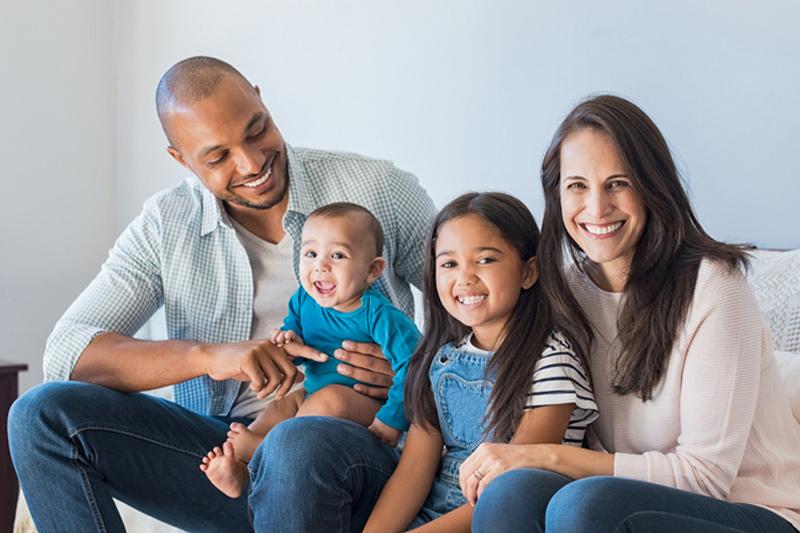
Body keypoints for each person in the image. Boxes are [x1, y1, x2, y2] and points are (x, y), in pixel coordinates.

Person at [8, 56, 436, 532]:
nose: (252, 163)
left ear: (260, 99)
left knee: (298, 440)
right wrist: (210, 356)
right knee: (39, 415)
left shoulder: (377, 190)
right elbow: (66, 353)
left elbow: (477, 310)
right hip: (230, 458)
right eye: (217, 157)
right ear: (181, 158)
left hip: (355, 449)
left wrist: (417, 374)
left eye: (257, 130)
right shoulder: (166, 225)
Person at [464, 95, 800, 532]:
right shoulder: (564, 291)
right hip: (619, 505)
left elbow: (706, 479)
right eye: (577, 186)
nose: (596, 208)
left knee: (583, 503)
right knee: (512, 491)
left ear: (652, 187)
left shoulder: (714, 286)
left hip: (758, 514)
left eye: (618, 183)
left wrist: (548, 456)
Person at [361, 191, 598, 532]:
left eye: (485, 260)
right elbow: (413, 471)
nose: (465, 277)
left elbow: (509, 485)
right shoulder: (441, 359)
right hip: (433, 515)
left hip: (502, 518)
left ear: (528, 272)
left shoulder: (550, 359)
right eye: (449, 264)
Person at [201, 202, 420, 498]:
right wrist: (287, 343)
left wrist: (391, 420)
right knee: (281, 406)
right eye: (311, 254)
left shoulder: (380, 316)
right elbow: (293, 335)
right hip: (312, 395)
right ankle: (240, 469)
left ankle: (266, 450)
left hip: (366, 406)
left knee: (329, 400)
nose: (320, 266)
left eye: (337, 255)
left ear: (372, 270)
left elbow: (415, 366)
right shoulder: (304, 299)